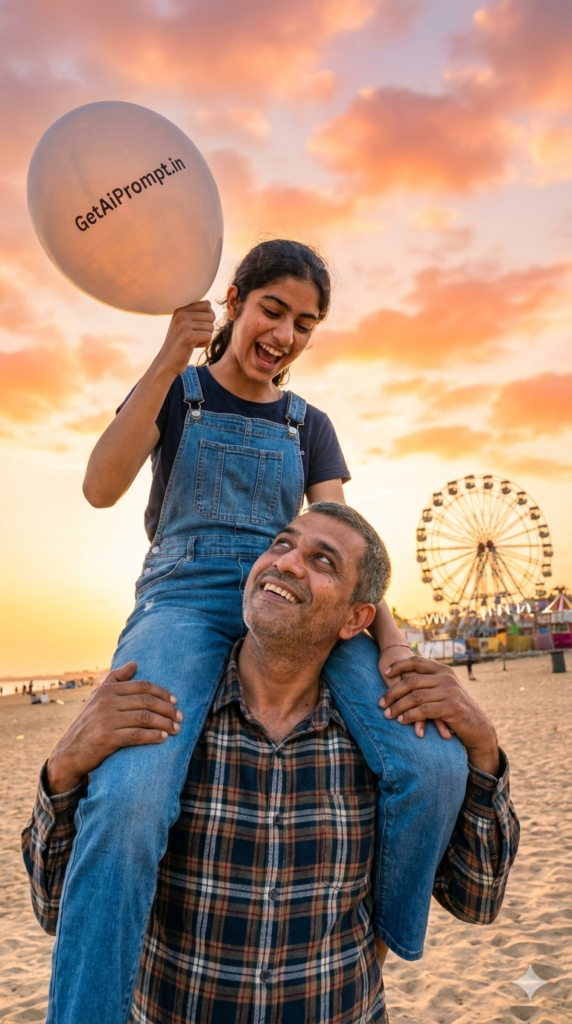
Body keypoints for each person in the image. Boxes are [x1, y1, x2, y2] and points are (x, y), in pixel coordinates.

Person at [45, 240, 469, 1024]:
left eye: (306, 324)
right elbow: (100, 487)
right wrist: (170, 354)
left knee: (432, 763)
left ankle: (379, 937)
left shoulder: (311, 426)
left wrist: (393, 639)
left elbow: (343, 539)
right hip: (184, 601)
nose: (286, 335)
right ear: (234, 299)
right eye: (273, 310)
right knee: (132, 799)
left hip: (292, 597)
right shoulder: (180, 392)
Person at [23, 505, 519, 1024]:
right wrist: (62, 770)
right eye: (282, 544)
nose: (287, 563)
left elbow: (477, 899)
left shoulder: (388, 748)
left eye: (322, 560)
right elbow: (56, 908)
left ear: (356, 618)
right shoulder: (156, 727)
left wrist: (483, 748)